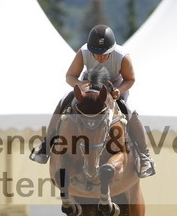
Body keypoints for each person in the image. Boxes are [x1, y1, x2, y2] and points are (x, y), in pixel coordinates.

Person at [29, 24, 156, 178]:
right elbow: (70, 76)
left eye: (105, 54)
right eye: (97, 54)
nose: (100, 57)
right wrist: (80, 84)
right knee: (64, 100)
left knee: (130, 110)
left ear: (112, 50)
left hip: (114, 84)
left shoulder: (122, 56)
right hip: (89, 83)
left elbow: (130, 79)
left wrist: (119, 90)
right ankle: (46, 144)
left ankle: (145, 157)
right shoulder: (83, 52)